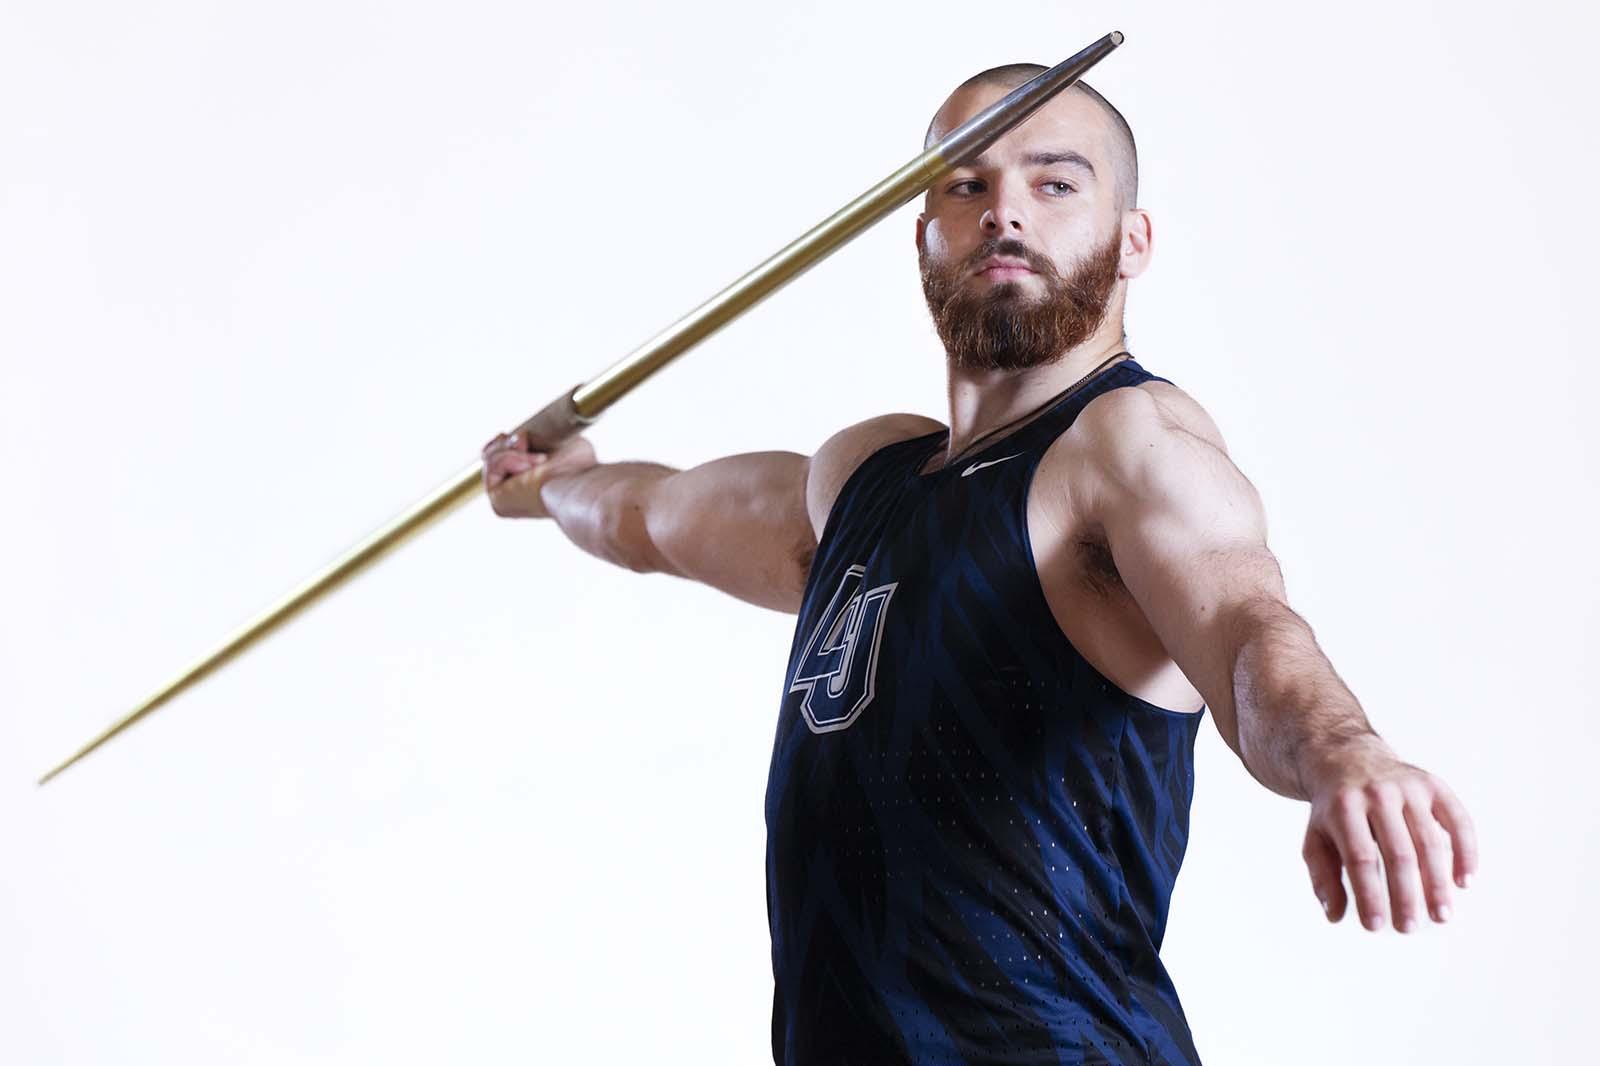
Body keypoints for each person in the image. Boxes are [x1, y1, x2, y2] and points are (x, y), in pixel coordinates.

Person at [479, 64, 1479, 1066]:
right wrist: (554, 482)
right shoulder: (861, 481)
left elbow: (1247, 628)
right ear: (920, 233)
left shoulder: (1128, 451)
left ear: (1132, 240)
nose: (1005, 212)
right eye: (966, 185)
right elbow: (652, 517)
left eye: (1054, 184)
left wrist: (1342, 754)